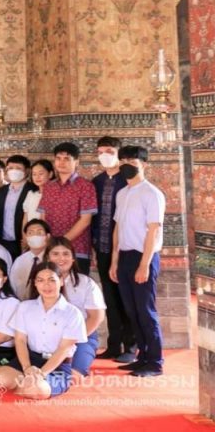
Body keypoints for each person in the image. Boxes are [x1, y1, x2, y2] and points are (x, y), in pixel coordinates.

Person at [0, 262, 87, 399]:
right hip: (30, 360)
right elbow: (20, 340)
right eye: (40, 280)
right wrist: (27, 367)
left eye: (51, 280)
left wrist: (41, 374)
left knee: (36, 390)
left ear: (61, 281)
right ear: (35, 283)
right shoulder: (25, 307)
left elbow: (64, 349)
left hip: (57, 365)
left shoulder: (73, 313)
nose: (46, 285)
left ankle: (28, 383)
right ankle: (17, 378)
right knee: (0, 380)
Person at [110, 145, 165, 377]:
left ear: (144, 164)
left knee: (145, 311)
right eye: (123, 161)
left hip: (144, 257)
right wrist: (114, 261)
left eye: (132, 162)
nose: (127, 166)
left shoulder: (152, 193)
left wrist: (144, 265)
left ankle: (155, 362)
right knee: (132, 311)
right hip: (124, 256)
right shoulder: (122, 193)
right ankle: (142, 357)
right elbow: (118, 229)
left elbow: (153, 230)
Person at [92, 136, 135, 362]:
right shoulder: (97, 181)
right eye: (100, 152)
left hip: (125, 248)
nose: (104, 156)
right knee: (110, 298)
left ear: (118, 153)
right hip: (103, 248)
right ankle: (114, 345)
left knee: (126, 297)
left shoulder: (127, 179)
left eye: (109, 151)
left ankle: (131, 347)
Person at [47, 236, 105, 379]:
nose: (61, 258)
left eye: (66, 254)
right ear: (47, 258)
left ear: (73, 258)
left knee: (73, 375)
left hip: (82, 337)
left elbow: (96, 317)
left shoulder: (86, 283)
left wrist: (70, 341)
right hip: (47, 336)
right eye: (55, 254)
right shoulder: (39, 282)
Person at [38, 142, 97, 274]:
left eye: (67, 159)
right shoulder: (49, 187)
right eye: (58, 158)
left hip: (76, 250)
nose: (61, 162)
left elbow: (85, 220)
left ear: (76, 162)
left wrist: (61, 242)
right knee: (52, 283)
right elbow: (43, 217)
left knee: (77, 284)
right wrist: (49, 242)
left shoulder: (86, 186)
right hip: (51, 249)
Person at [0, 155, 37, 259]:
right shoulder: (2, 191)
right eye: (10, 168)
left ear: (27, 171)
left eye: (18, 168)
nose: (13, 171)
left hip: (23, 242)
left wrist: (27, 239)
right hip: (2, 242)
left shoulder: (33, 190)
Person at [9, 219, 51, 300]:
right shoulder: (19, 260)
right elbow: (12, 285)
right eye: (30, 233)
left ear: (48, 236)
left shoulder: (52, 259)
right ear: (25, 237)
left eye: (39, 233)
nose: (35, 236)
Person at [23, 159, 54, 223]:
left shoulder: (55, 195)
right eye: (34, 174)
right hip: (30, 229)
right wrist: (24, 229)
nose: (37, 177)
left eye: (41, 173)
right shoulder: (31, 194)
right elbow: (26, 217)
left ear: (50, 174)